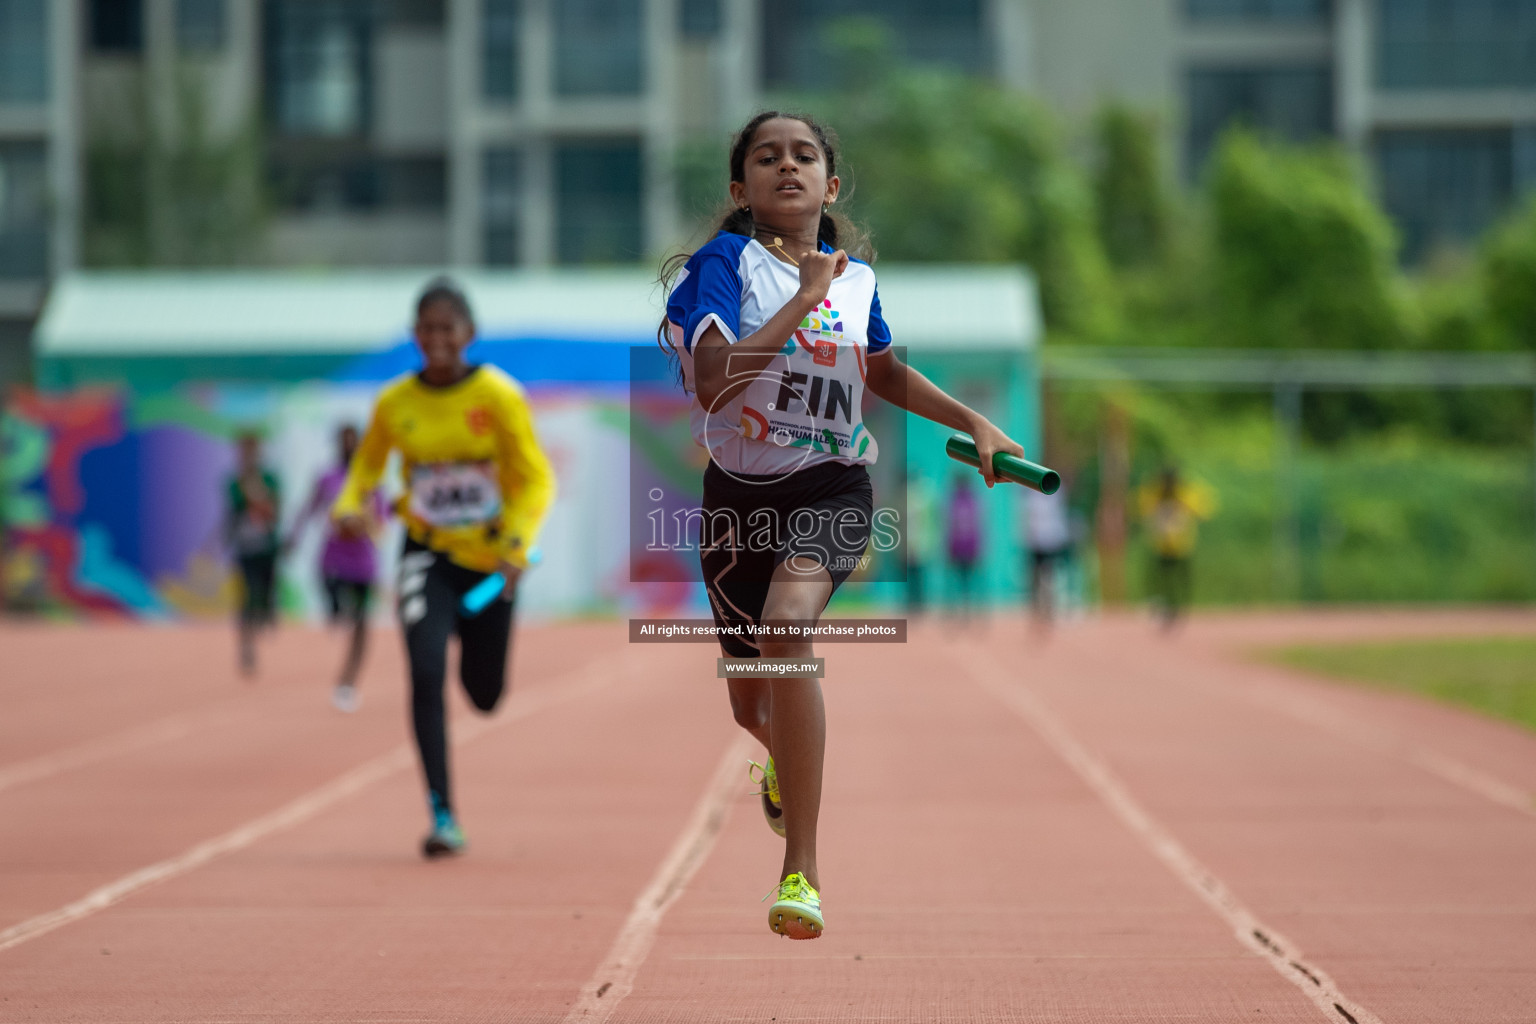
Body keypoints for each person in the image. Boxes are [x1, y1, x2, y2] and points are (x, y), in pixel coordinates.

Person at [660, 111, 1025, 939]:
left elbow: (883, 369)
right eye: (766, 157)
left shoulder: (854, 279)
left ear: (831, 184)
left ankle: (802, 873)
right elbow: (717, 383)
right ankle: (782, 762)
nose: (786, 167)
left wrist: (972, 423)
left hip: (832, 487)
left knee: (789, 634)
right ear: (739, 187)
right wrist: (802, 302)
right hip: (737, 506)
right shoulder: (725, 267)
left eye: (804, 156)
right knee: (751, 706)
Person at [332, 279, 556, 858]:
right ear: (415, 335)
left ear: (468, 335)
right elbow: (365, 471)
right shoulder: (394, 403)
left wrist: (517, 544)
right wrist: (349, 507)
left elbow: (535, 478)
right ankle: (442, 815)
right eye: (426, 329)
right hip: (425, 556)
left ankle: (466, 624)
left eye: (447, 329)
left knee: (484, 696)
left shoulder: (500, 396)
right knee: (425, 671)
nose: (436, 339)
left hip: (489, 567)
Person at [285, 424, 387, 712]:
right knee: (338, 611)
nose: (348, 446)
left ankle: (348, 680)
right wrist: (293, 536)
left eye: (353, 441)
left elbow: (381, 519)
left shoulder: (370, 480)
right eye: (343, 441)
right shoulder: (327, 478)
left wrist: (361, 525)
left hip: (363, 562)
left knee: (361, 622)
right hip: (333, 559)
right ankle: (336, 613)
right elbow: (309, 508)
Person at [226, 431, 281, 676]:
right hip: (245, 548)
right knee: (247, 597)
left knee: (266, 594)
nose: (247, 455)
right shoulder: (233, 482)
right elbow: (234, 510)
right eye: (243, 450)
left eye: (251, 450)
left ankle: (265, 618)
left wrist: (256, 494)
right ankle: (246, 648)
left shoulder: (270, 479)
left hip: (267, 547)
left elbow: (272, 511)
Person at [1136, 466, 1216, 628]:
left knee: (1181, 581)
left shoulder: (1184, 494)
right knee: (1161, 581)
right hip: (1161, 546)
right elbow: (1141, 509)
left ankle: (1177, 608)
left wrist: (1184, 504)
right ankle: (1165, 607)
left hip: (1182, 546)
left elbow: (1204, 511)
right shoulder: (1155, 494)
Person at [1024, 480, 1072, 628]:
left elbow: (1058, 517)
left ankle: (1048, 611)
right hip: (1036, 543)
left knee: (1048, 579)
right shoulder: (1032, 495)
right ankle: (1037, 611)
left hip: (1049, 542)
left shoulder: (1055, 493)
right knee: (1036, 579)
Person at [945, 473, 982, 626]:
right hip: (963, 547)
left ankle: (966, 614)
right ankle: (961, 614)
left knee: (965, 584)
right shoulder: (970, 501)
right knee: (961, 584)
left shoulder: (960, 501)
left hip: (964, 547)